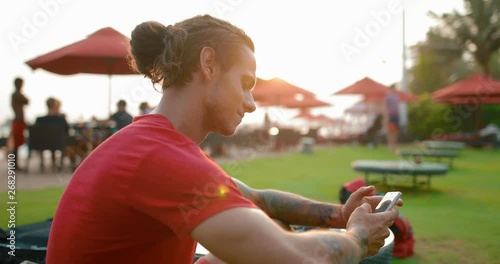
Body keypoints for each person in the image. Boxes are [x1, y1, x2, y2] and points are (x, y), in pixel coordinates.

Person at [47, 15, 401, 264]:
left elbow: (260, 199)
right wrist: (356, 237)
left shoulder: (154, 145)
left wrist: (341, 214)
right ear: (209, 64)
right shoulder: (160, 159)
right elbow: (298, 259)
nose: (250, 103)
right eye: (245, 84)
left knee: (270, 226)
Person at [35, 97, 69, 171]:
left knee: (52, 141)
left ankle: (48, 164)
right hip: (58, 142)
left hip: (42, 143)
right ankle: (60, 164)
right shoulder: (61, 119)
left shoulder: (39, 120)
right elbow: (67, 131)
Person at [9, 77, 29, 170]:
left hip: (19, 121)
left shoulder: (16, 95)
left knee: (17, 144)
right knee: (15, 144)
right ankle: (13, 165)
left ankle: (14, 165)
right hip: (18, 121)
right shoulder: (16, 94)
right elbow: (27, 101)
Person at [385, 85, 400, 152]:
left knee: (396, 131)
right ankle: (390, 145)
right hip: (390, 116)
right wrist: (386, 117)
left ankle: (394, 145)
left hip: (396, 116)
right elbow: (386, 107)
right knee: (390, 131)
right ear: (391, 89)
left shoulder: (396, 97)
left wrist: (399, 114)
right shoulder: (388, 97)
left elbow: (397, 107)